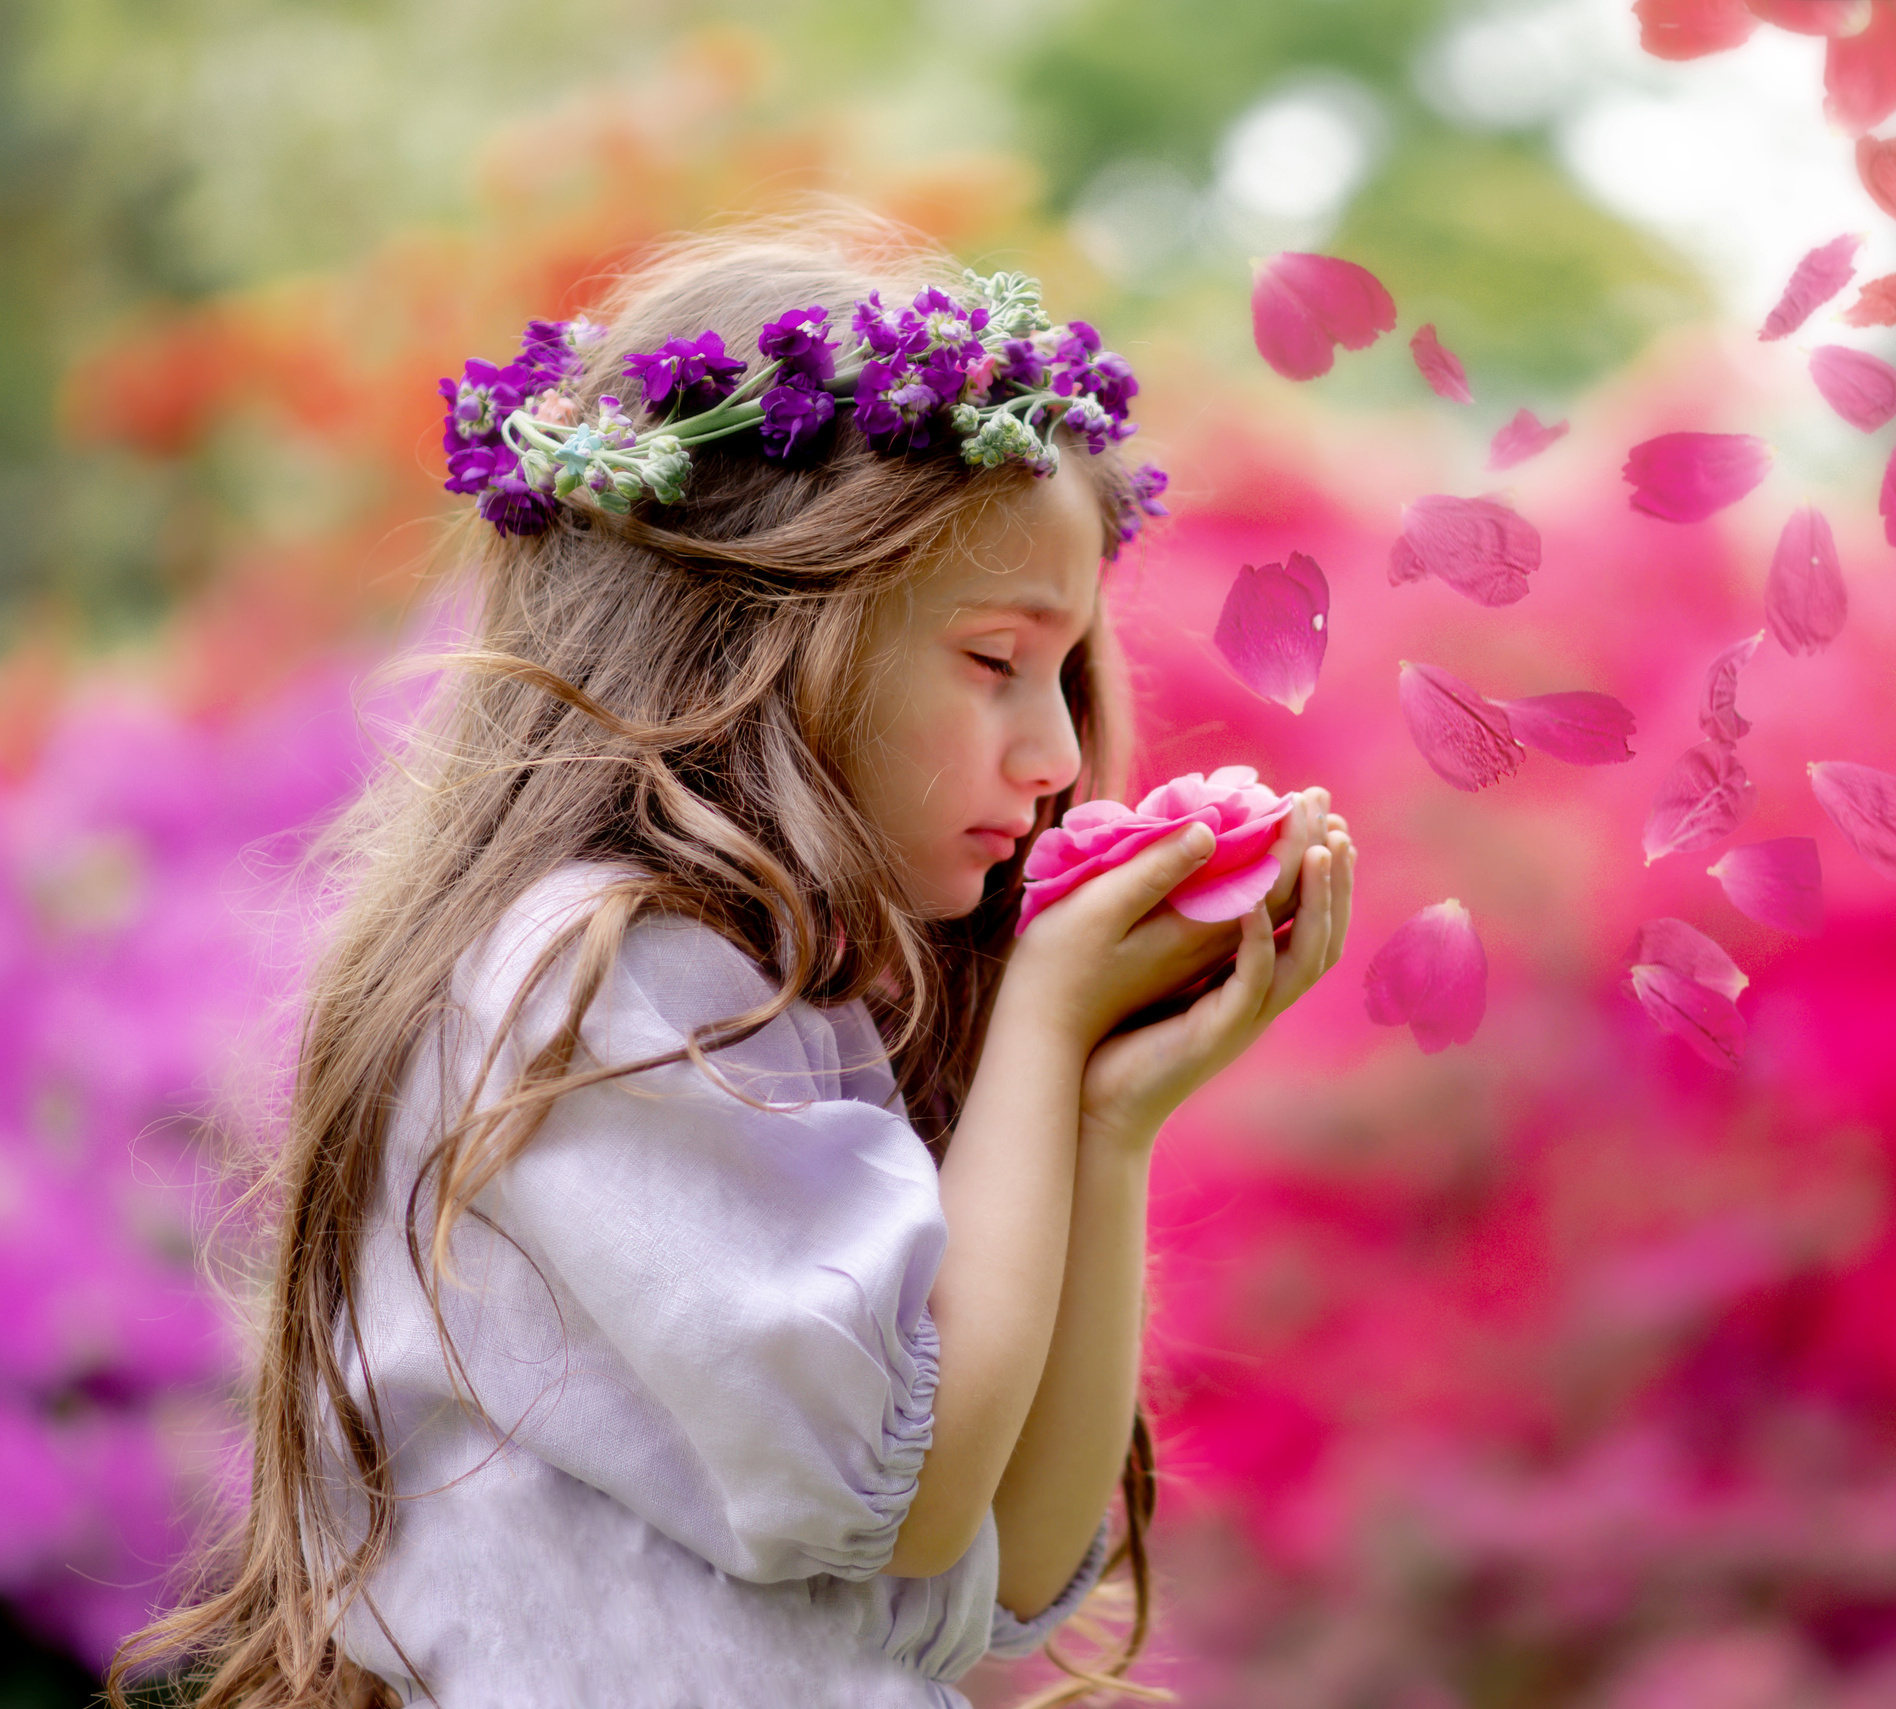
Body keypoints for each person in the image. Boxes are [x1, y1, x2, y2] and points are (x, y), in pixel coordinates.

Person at [110, 210, 1357, 1709]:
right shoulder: (599, 980)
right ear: (754, 633)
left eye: (1064, 673)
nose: (1055, 756)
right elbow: (911, 1497)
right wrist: (1039, 1026)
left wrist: (1106, 1115)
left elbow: (1008, 1570)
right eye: (994, 660)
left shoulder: (780, 1005)